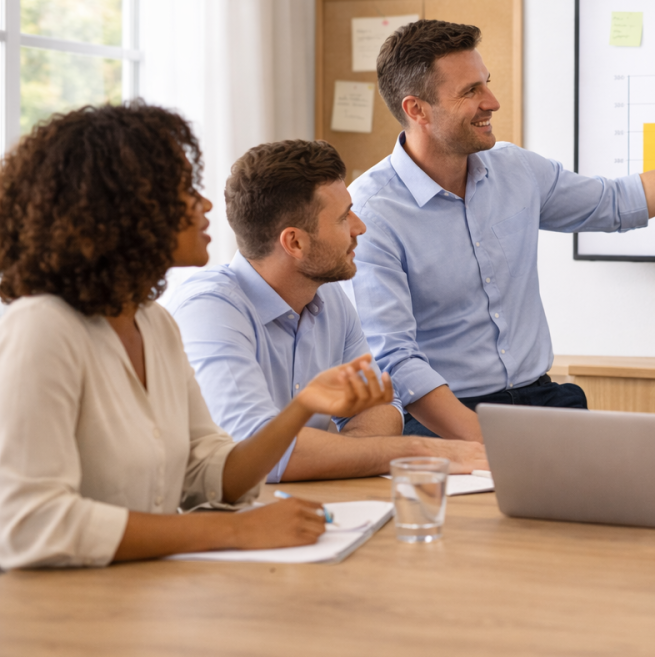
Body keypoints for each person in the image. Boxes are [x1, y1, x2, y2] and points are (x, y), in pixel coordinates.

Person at [0, 103, 393, 568]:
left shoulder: (154, 324)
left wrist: (303, 406)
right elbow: (29, 522)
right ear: (122, 211)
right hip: (68, 624)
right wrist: (232, 531)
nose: (205, 205)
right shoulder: (43, 326)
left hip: (146, 601)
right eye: (184, 191)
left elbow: (211, 475)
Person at [348, 19, 655, 440]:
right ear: (416, 109)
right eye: (470, 91)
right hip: (443, 420)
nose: (492, 102)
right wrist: (491, 445)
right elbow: (396, 360)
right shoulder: (371, 214)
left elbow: (617, 203)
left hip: (540, 402)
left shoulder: (515, 169)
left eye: (486, 83)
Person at [167, 140, 487, 483]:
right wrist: (421, 451)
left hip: (311, 503)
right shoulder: (209, 310)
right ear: (295, 243)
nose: (359, 226)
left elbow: (382, 407)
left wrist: (342, 456)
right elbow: (258, 453)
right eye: (342, 217)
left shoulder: (328, 298)